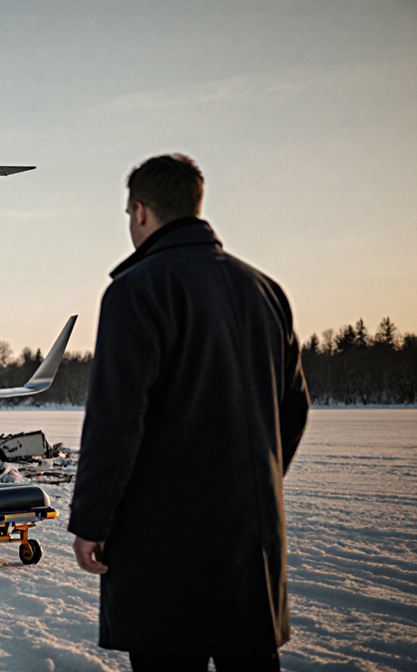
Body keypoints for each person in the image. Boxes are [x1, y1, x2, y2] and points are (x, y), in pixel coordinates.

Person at [69, 155, 309, 672]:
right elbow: (294, 407)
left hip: (164, 549)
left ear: (139, 213)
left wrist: (92, 520)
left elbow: (117, 420)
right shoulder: (265, 290)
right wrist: (251, 486)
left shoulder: (136, 291)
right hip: (250, 543)